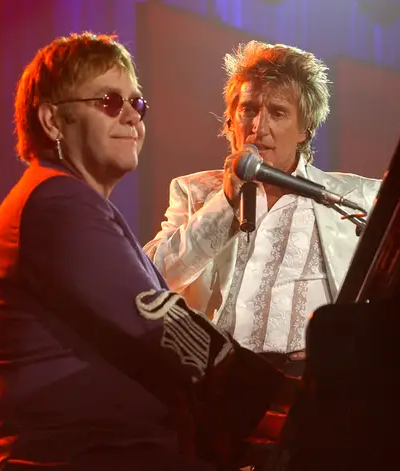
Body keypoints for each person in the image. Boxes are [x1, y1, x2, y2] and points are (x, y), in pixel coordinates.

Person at [0, 32, 294, 471]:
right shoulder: (57, 203)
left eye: (137, 104)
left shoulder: (69, 202)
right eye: (109, 102)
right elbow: (163, 326)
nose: (131, 117)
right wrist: (290, 403)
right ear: (52, 121)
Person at [143, 41, 381, 365]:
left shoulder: (355, 198)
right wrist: (225, 201)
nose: (259, 127)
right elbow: (150, 279)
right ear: (231, 120)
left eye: (278, 113)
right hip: (215, 386)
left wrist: (343, 348)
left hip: (311, 389)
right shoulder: (194, 192)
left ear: (305, 128)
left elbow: (389, 301)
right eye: (249, 110)